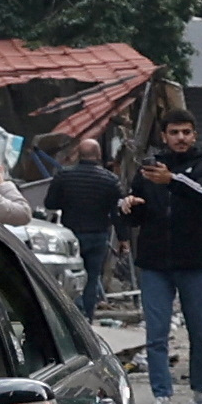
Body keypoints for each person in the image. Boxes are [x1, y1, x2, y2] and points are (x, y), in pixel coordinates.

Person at [122, 114, 202, 404]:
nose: (181, 138)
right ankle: (161, 396)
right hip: (155, 262)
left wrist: (172, 180)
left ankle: (201, 391)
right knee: (156, 334)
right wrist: (128, 207)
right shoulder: (149, 169)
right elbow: (137, 211)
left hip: (194, 261)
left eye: (186, 132)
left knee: (201, 331)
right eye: (174, 132)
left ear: (195, 134)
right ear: (164, 136)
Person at [43, 134, 127, 315]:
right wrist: (123, 238)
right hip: (98, 235)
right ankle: (87, 317)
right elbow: (117, 212)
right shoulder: (110, 180)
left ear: (78, 154)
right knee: (92, 277)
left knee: (71, 276)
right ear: (99, 155)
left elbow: (50, 203)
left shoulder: (64, 176)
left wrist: (68, 202)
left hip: (70, 234)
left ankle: (71, 315)